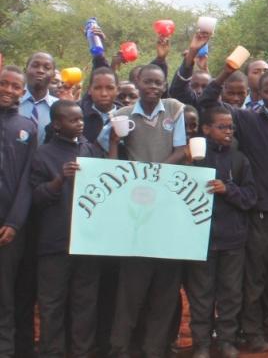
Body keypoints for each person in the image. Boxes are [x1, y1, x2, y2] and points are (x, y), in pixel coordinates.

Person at [198, 67, 268, 351]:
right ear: (258, 94)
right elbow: (208, 103)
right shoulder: (247, 119)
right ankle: (252, 332)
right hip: (260, 209)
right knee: (255, 276)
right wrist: (223, 75)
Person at [100, 63, 188, 358]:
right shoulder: (122, 115)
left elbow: (181, 150)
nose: (152, 87)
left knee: (166, 287)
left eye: (158, 82)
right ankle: (120, 348)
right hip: (136, 208)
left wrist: (155, 173)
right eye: (147, 82)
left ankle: (154, 348)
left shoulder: (174, 109)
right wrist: (114, 141)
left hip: (169, 205)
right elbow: (111, 163)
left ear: (164, 86)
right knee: (131, 287)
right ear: (137, 84)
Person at [30, 100, 103, 358]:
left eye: (81, 118)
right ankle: (52, 351)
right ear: (57, 125)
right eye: (73, 120)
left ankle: (82, 351)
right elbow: (36, 198)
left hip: (87, 242)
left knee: (85, 302)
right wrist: (60, 179)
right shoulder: (43, 154)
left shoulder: (90, 149)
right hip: (55, 242)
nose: (80, 123)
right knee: (52, 303)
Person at [187, 106, 258, 358]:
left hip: (232, 239)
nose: (228, 131)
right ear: (206, 129)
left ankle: (227, 340)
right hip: (201, 239)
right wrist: (187, 164)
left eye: (231, 127)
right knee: (201, 295)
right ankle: (202, 344)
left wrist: (228, 190)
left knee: (230, 293)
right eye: (222, 127)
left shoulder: (239, 160)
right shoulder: (193, 158)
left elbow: (251, 197)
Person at [0, 67, 37, 358]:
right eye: (4, 84)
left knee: (5, 295)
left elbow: (28, 180)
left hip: (9, 228)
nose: (9, 90)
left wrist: (14, 222)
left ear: (22, 93)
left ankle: (5, 349)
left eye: (15, 87)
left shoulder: (28, 127)